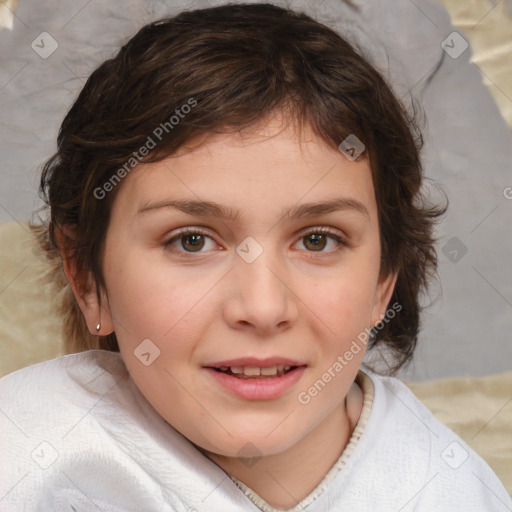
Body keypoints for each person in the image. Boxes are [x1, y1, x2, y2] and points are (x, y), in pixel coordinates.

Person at [0, 3, 510, 511]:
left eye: (318, 240)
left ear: (383, 281)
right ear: (88, 280)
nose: (264, 308)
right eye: (192, 241)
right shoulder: (27, 459)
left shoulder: (449, 489)